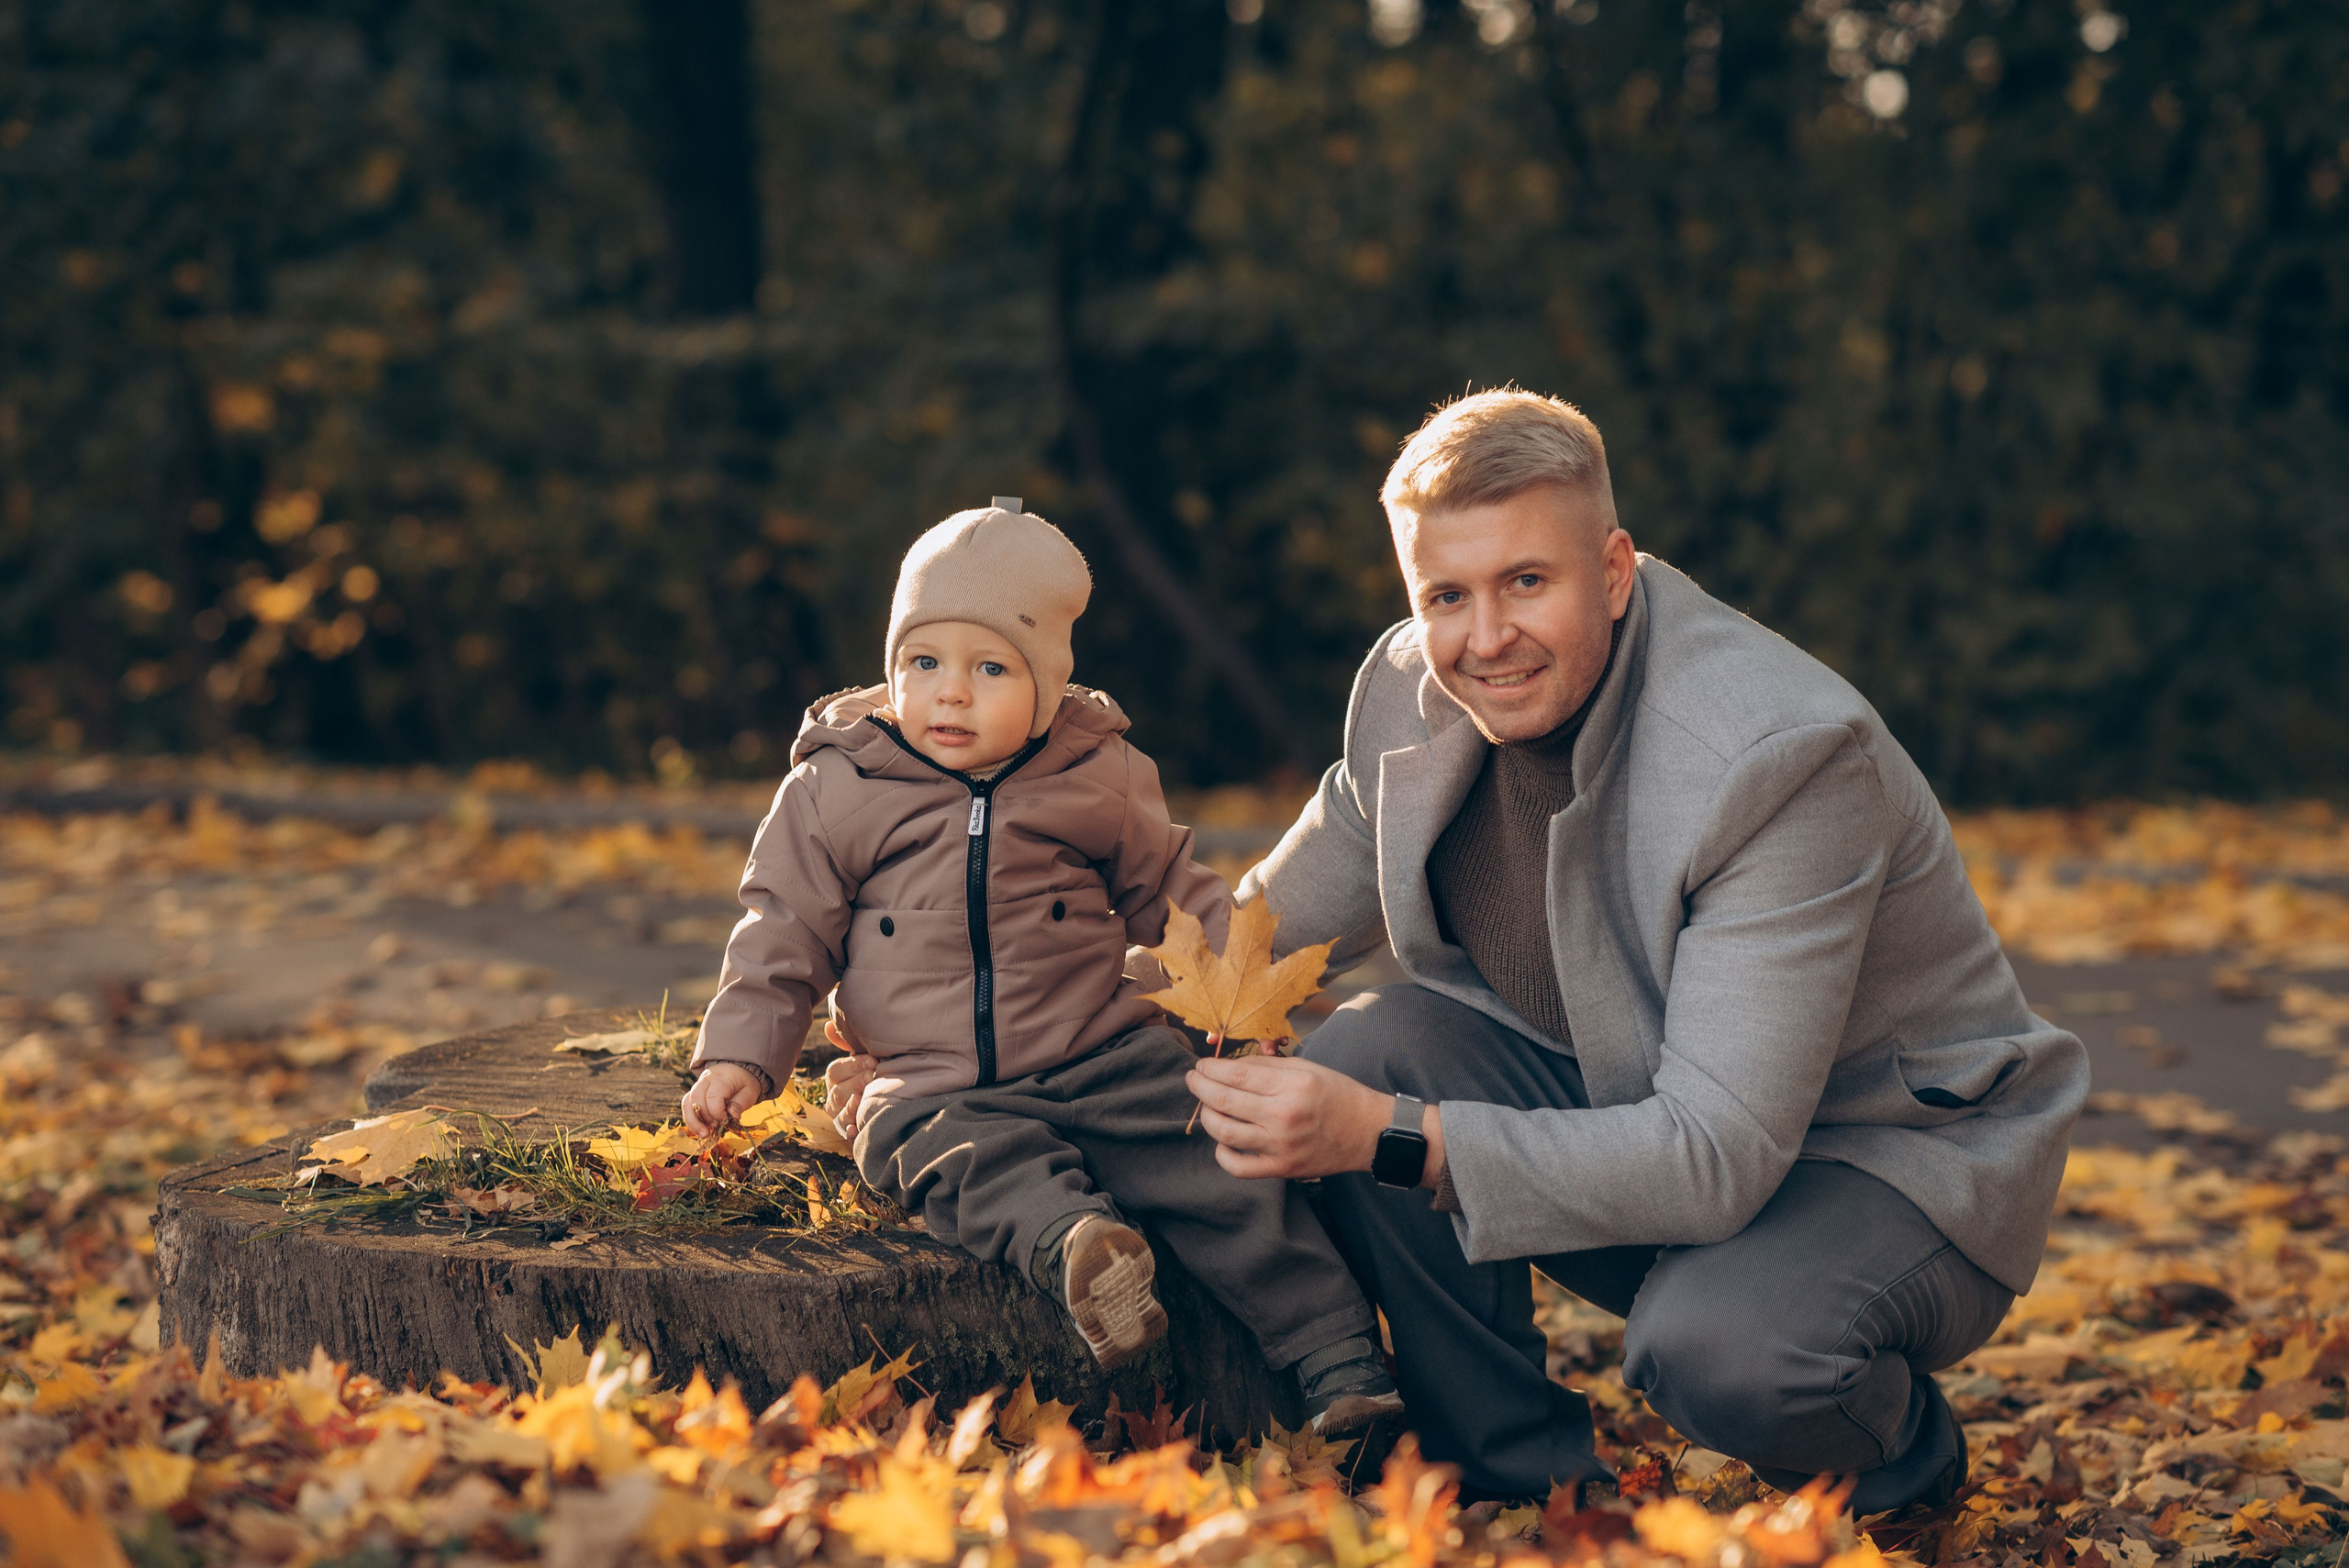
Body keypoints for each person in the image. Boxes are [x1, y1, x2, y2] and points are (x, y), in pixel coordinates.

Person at [1186, 393, 2089, 1511]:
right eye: (1444, 595)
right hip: (1641, 1097)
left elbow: (1716, 1152)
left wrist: (1383, 1138)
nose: (1484, 637)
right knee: (1381, 1049)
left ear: (1612, 570)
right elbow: (1253, 933)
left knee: (1718, 1345)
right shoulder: (1412, 691)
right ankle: (1521, 1487)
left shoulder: (1775, 754)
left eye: (1527, 581)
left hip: (1883, 1157)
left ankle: (1903, 1465)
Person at [678, 499, 1404, 1434]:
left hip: (1102, 1050)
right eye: (923, 662)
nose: (949, 692)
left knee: (1217, 1161)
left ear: (1050, 683)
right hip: (935, 1077)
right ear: (890, 664)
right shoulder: (837, 784)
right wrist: (740, 1053)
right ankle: (1083, 1251)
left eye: (990, 668)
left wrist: (1243, 1006)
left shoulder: (1094, 770)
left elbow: (1176, 894)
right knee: (929, 1149)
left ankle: (1338, 1358)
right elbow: (782, 929)